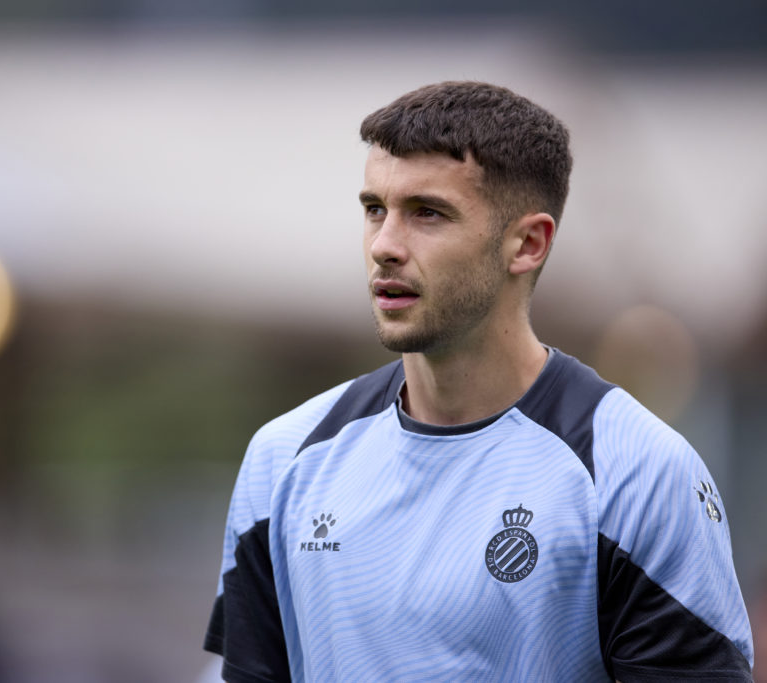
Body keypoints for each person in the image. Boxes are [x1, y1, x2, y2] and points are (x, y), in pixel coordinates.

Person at [202, 81, 754, 682]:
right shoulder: (284, 460)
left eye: (427, 214)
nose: (385, 245)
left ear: (528, 244)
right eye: (374, 210)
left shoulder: (637, 474)